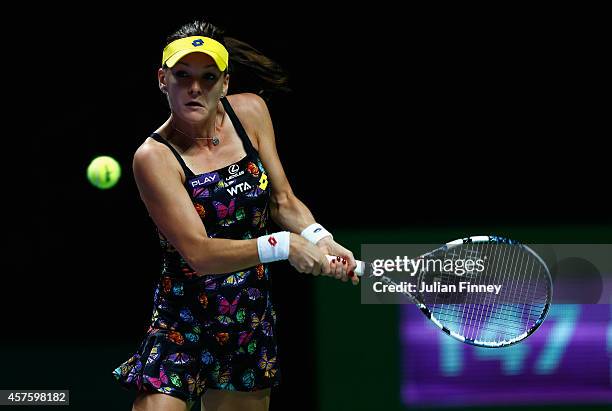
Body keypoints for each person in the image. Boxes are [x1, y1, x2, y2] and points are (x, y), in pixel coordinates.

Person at [112, 19, 359, 411]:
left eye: (208, 77)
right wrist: (285, 245)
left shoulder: (251, 113)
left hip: (249, 319)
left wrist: (318, 238)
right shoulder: (154, 157)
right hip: (183, 323)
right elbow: (199, 253)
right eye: (182, 76)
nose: (195, 88)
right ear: (163, 79)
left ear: (225, 83)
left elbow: (282, 201)